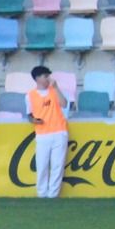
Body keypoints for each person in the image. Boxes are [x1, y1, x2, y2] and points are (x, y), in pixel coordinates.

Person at [28, 64, 70, 198]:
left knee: (57, 165)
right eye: (45, 76)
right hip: (42, 134)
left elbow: (64, 104)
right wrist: (34, 120)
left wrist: (56, 88)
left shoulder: (54, 91)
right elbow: (29, 114)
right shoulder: (30, 95)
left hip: (59, 131)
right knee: (42, 166)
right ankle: (42, 194)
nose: (48, 79)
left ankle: (53, 195)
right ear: (37, 78)